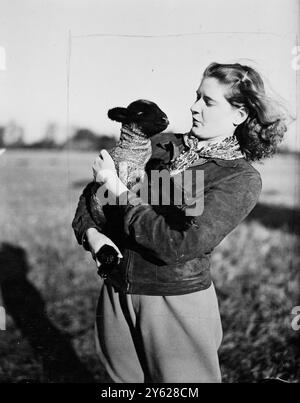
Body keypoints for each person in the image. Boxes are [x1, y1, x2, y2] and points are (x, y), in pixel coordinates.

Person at [72, 62, 288, 383]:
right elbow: (92, 198)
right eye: (196, 96)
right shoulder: (159, 145)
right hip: (116, 291)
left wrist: (118, 191)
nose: (194, 107)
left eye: (208, 101)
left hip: (173, 302)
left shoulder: (238, 178)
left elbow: (177, 243)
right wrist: (93, 236)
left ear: (239, 115)